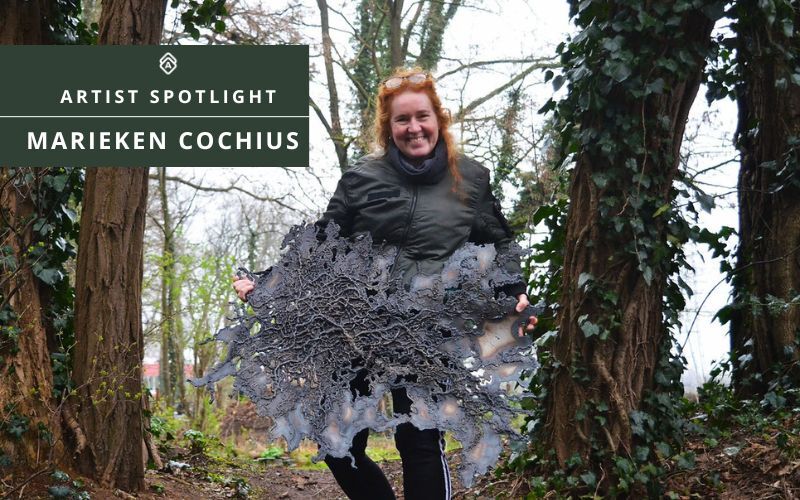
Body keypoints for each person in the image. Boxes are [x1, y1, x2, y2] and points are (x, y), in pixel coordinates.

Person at [232, 67, 537, 500]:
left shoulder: (471, 178)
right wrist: (268, 282)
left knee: (419, 439)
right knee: (337, 440)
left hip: (430, 330)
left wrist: (515, 294)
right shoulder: (361, 180)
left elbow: (498, 245)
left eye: (422, 116)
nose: (414, 128)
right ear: (388, 127)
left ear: (438, 119)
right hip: (356, 328)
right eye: (402, 120)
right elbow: (321, 242)